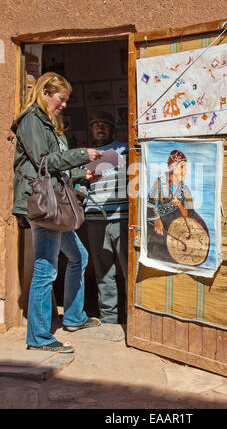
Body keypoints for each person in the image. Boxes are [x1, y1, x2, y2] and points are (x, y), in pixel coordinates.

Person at [11, 72, 102, 354]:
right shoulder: (31, 121)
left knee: (79, 256)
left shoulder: (47, 123)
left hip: (53, 202)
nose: (63, 105)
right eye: (61, 99)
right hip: (43, 203)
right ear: (46, 93)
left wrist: (80, 173)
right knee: (46, 267)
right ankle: (38, 337)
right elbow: (44, 162)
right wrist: (81, 154)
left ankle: (74, 318)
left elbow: (55, 165)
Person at [84, 111, 128, 324]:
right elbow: (78, 184)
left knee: (128, 269)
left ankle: (133, 320)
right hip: (94, 218)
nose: (100, 128)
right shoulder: (85, 154)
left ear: (112, 129)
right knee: (103, 272)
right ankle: (109, 319)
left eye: (104, 125)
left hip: (121, 216)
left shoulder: (124, 149)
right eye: (96, 125)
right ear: (91, 130)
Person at [147, 149, 209, 263]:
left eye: (185, 167)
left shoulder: (184, 189)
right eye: (181, 167)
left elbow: (189, 213)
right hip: (161, 227)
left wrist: (180, 205)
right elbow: (150, 204)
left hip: (177, 228)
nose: (184, 171)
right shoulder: (161, 182)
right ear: (172, 168)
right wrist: (156, 220)